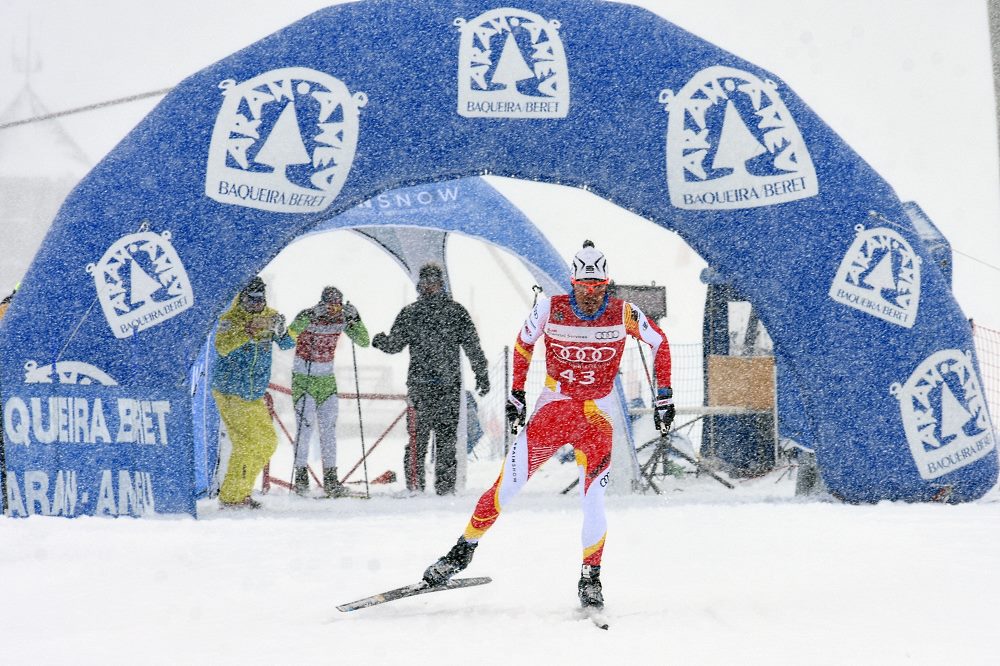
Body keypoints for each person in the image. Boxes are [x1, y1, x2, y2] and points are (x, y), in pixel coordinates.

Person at [420, 241, 675, 612]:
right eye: (585, 288)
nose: (591, 296)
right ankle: (461, 552)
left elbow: (659, 342)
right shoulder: (550, 308)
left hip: (598, 417)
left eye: (598, 288)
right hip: (554, 410)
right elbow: (523, 344)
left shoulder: (624, 314)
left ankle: (591, 577)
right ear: (573, 282)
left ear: (607, 283)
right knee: (506, 486)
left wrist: (664, 396)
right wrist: (516, 395)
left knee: (593, 500)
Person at [371, 263, 490, 495]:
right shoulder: (454, 312)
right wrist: (481, 374)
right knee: (435, 441)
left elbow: (394, 345)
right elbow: (472, 347)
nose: (428, 287)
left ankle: (421, 488)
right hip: (437, 388)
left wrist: (380, 341)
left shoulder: (414, 313)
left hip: (426, 387)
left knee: (424, 441)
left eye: (430, 282)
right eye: (427, 283)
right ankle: (437, 489)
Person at [211, 277, 294, 509]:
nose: (257, 305)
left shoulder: (271, 316)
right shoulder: (231, 320)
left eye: (261, 299)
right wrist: (247, 331)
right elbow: (222, 347)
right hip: (230, 390)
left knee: (267, 442)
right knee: (248, 443)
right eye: (252, 300)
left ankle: (239, 493)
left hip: (253, 392)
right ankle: (233, 497)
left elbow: (287, 344)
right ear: (242, 298)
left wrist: (282, 330)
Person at [287, 286, 369, 497]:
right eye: (330, 305)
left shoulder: (341, 318)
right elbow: (289, 336)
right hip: (303, 379)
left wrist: (355, 319)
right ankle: (301, 477)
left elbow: (364, 341)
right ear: (322, 303)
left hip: (327, 381)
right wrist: (308, 318)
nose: (334, 310)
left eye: (338, 305)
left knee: (329, 431)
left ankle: (331, 479)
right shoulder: (308, 315)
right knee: (304, 429)